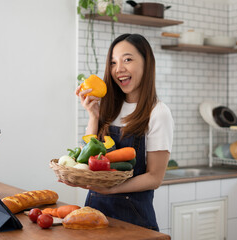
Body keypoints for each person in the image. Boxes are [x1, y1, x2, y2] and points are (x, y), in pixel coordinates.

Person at [71, 33, 174, 231]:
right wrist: (94, 117)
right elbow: (87, 160)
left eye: (127, 59)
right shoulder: (108, 107)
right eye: (113, 62)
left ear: (146, 63)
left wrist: (111, 189)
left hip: (133, 222)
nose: (119, 69)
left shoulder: (158, 112)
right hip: (93, 214)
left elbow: (155, 177)